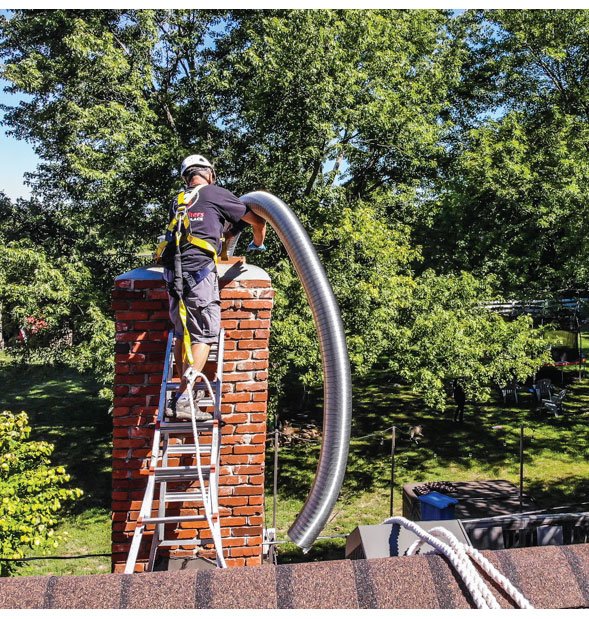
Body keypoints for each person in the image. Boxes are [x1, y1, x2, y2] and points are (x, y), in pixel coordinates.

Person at [158, 154, 267, 420]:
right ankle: (185, 399)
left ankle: (183, 392)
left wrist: (228, 236)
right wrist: (258, 242)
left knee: (183, 334)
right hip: (198, 271)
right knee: (205, 334)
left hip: (174, 273)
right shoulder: (214, 193)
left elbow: (215, 227)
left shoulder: (179, 201)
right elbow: (258, 220)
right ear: (209, 173)